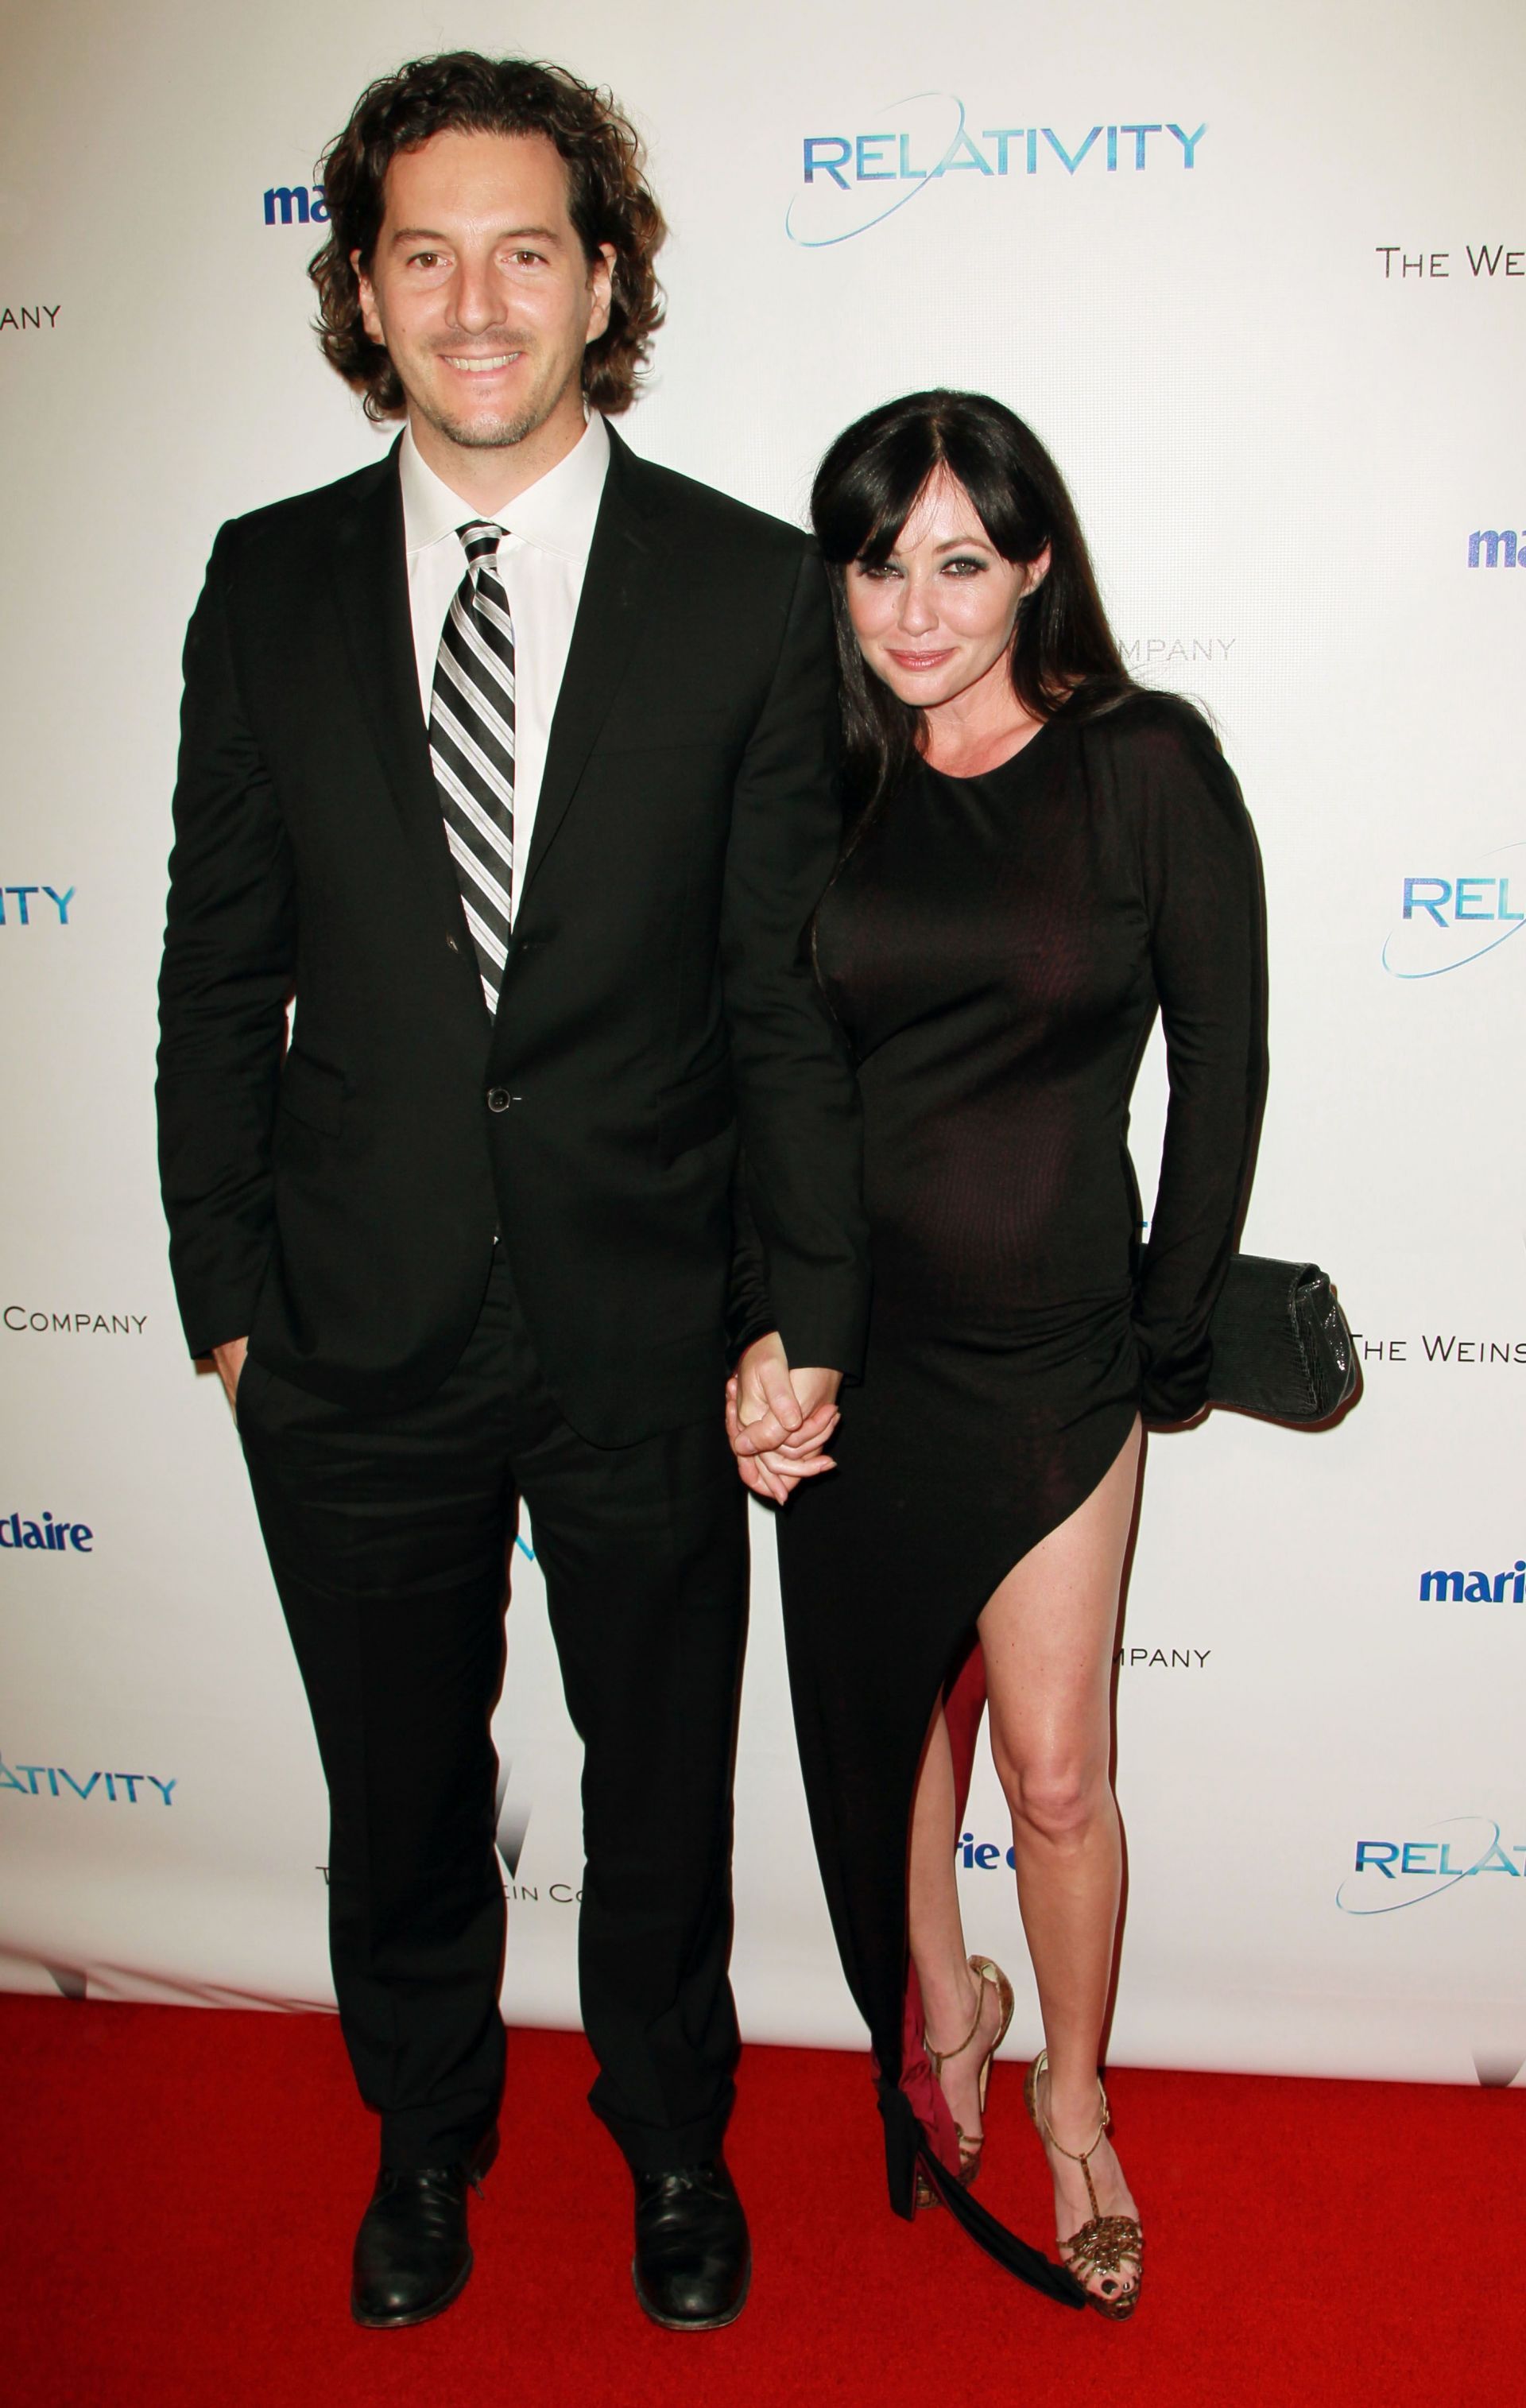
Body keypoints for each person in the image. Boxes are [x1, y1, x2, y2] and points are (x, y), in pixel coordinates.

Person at [156, 50, 866, 2334]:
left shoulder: (752, 592)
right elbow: (213, 968)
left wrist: (797, 1299)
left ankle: (672, 2136)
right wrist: (224, 1293)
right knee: (398, 1783)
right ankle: (424, 2126)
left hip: (651, 1313)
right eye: (425, 253)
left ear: (604, 275)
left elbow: (778, 996)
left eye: (526, 249)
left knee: (661, 1781)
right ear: (363, 286)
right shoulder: (263, 586)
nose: (477, 302)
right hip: (343, 1326)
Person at [729, 390, 1267, 2317]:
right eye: (880, 560)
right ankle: (945, 2007)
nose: (917, 603)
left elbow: (1224, 1059)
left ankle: (1074, 2096)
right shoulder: (812, 785)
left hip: (1053, 1352)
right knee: (894, 1753)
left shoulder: (1143, 765)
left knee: (1050, 1773)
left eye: (962, 558)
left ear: (1036, 564)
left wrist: (1166, 1334)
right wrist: (767, 1338)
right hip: (860, 1356)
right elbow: (758, 1077)